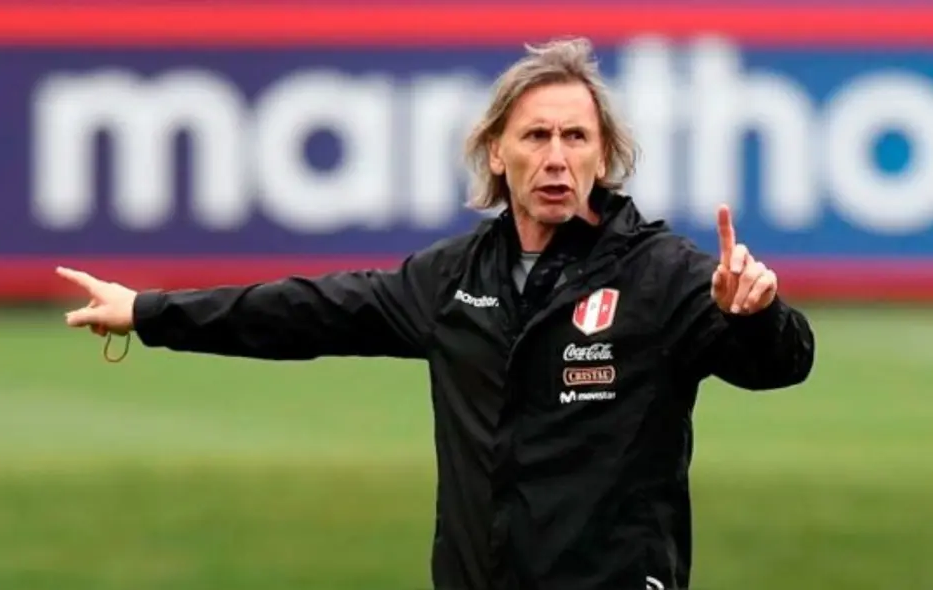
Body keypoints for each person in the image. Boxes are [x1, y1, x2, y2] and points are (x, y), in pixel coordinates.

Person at [56, 37, 815, 590]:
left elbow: (781, 363)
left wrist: (756, 314)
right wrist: (149, 312)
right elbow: (311, 312)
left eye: (576, 136)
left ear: (604, 156)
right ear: (496, 152)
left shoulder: (660, 273)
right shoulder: (452, 278)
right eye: (536, 136)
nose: (556, 156)